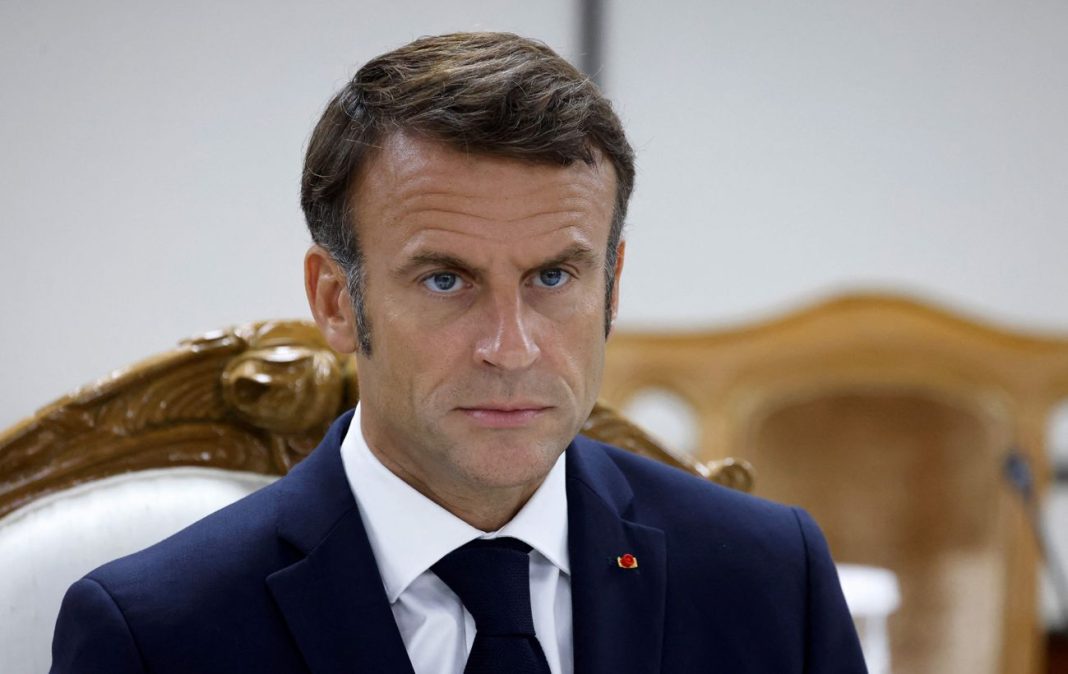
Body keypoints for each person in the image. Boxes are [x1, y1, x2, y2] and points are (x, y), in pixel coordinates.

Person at [50, 32, 867, 673]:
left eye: (553, 276)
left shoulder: (769, 578)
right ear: (337, 301)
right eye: (446, 281)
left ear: (611, 285)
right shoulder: (155, 637)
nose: (510, 348)